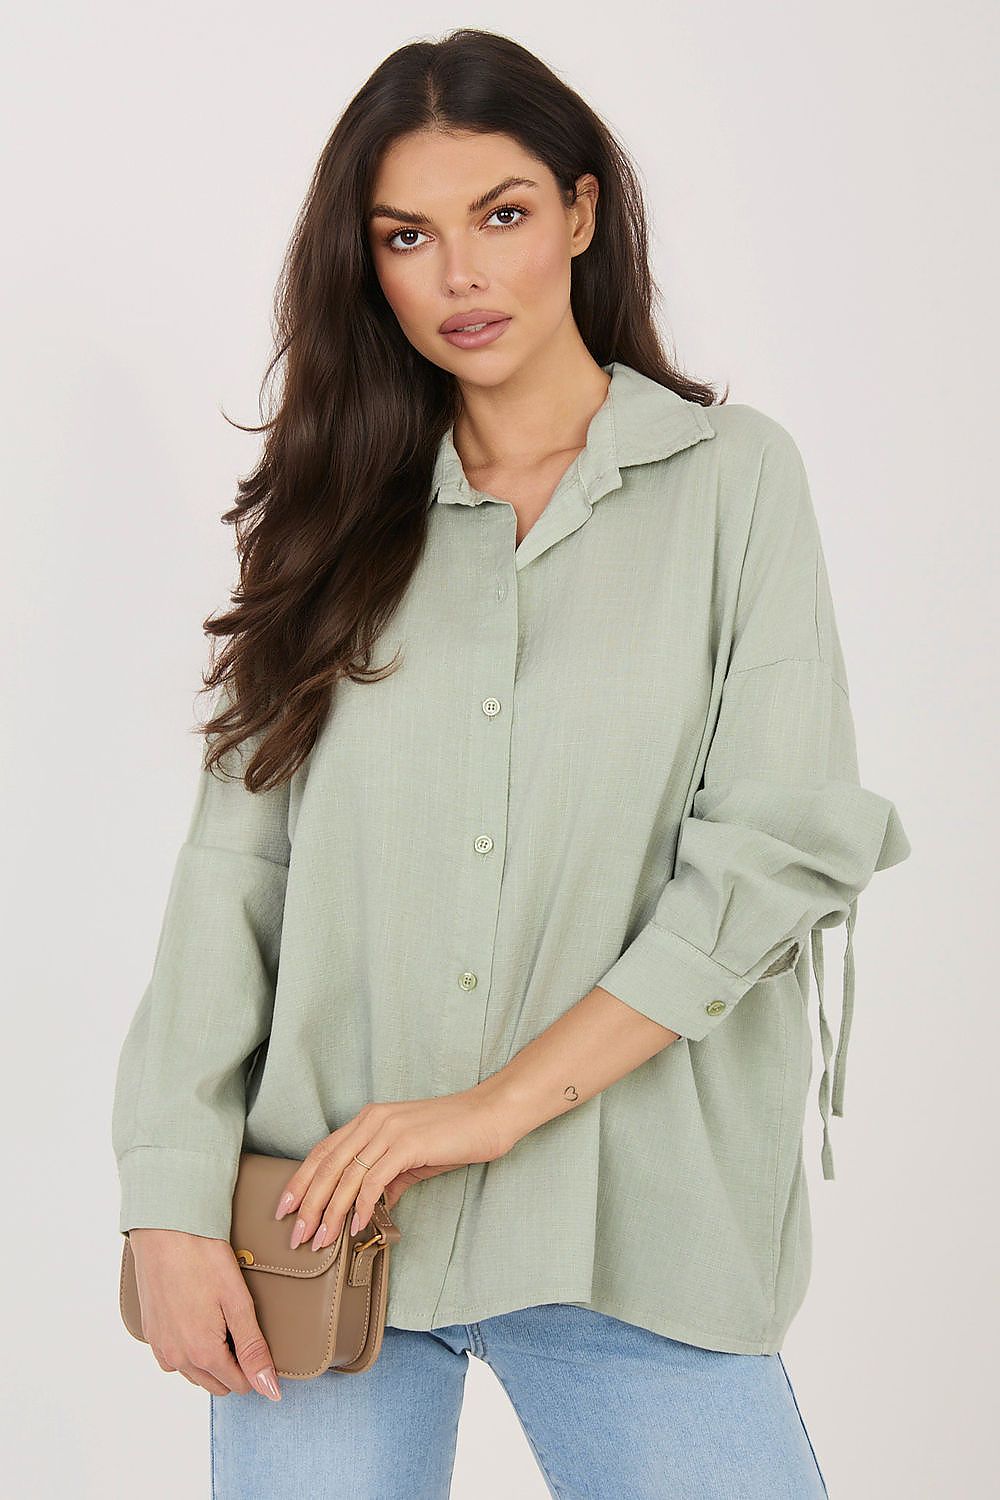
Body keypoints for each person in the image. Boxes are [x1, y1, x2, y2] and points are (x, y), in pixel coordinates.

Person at [111, 28, 911, 1500]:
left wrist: (488, 1110)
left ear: (583, 213)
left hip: (631, 1223)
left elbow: (774, 851)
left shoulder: (733, 484)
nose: (461, 275)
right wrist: (165, 1201)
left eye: (502, 213)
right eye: (407, 235)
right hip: (319, 1232)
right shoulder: (326, 521)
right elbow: (235, 871)